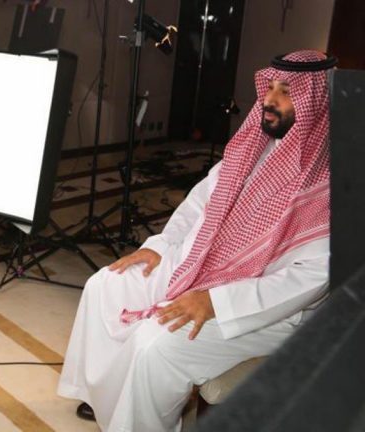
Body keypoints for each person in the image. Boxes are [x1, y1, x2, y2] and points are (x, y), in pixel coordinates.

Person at [57, 50, 336, 432]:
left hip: (263, 306)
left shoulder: (332, 182)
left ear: (315, 101)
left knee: (155, 344)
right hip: (206, 264)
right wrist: (158, 247)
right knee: (106, 285)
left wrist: (215, 301)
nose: (269, 100)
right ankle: (104, 396)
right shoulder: (252, 147)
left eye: (285, 92)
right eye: (269, 87)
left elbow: (312, 279)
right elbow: (197, 206)